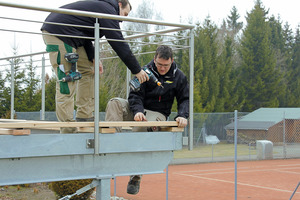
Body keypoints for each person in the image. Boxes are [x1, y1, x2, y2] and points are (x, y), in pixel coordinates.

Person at [41, 0, 148, 133]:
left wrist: (93, 58)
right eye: (124, 15)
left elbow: (84, 33)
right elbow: (117, 41)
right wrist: (136, 69)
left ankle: (84, 116)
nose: (121, 21)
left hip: (73, 35)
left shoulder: (101, 8)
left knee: (90, 70)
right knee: (67, 79)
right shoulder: (108, 10)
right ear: (119, 4)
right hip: (59, 32)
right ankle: (68, 128)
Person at [105, 45, 189, 195]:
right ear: (155, 58)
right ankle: (110, 153)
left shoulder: (179, 77)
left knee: (142, 125)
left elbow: (185, 99)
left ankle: (136, 175)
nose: (162, 68)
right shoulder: (144, 71)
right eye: (159, 64)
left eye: (166, 65)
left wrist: (182, 115)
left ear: (172, 61)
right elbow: (134, 95)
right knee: (114, 103)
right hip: (138, 108)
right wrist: (137, 111)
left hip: (158, 113)